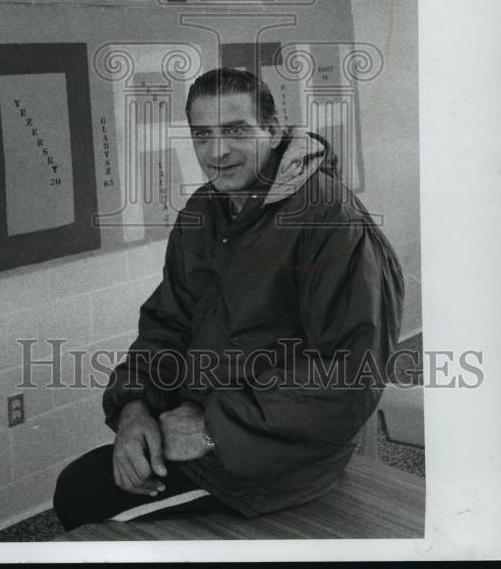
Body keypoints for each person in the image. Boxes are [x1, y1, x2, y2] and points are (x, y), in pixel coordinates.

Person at [53, 67, 404, 530]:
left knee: (84, 498)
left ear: (274, 130)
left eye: (236, 131)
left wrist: (212, 432)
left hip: (278, 458)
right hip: (199, 426)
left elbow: (350, 371)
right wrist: (134, 407)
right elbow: (167, 325)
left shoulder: (329, 218)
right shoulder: (204, 209)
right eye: (203, 135)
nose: (217, 152)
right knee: (83, 483)